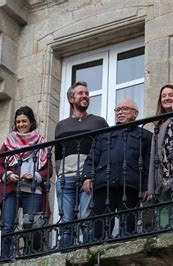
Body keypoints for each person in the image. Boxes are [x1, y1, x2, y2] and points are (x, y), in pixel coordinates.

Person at [82, 99, 152, 240]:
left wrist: (146, 186)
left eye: (125, 109)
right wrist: (87, 176)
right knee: (100, 226)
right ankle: (97, 253)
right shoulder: (104, 134)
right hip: (104, 183)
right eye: (118, 110)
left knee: (128, 225)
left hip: (130, 184)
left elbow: (148, 164)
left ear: (135, 113)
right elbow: (92, 157)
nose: (120, 112)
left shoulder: (145, 136)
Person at [54, 81, 109, 246]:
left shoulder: (98, 122)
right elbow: (57, 155)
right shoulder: (61, 125)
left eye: (86, 93)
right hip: (66, 179)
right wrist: (60, 175)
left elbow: (105, 149)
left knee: (86, 220)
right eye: (80, 93)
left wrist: (95, 174)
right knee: (66, 223)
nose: (85, 96)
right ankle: (66, 256)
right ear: (71, 99)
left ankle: (87, 252)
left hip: (88, 177)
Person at [0, 106, 51, 258]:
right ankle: (5, 258)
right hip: (11, 188)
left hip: (33, 190)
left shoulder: (41, 141)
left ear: (31, 122)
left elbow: (49, 169)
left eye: (24, 121)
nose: (21, 124)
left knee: (30, 225)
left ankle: (29, 256)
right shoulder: (9, 142)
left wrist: (36, 175)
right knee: (7, 225)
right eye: (18, 122)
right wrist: (8, 174)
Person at [147, 84, 173, 227]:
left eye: (171, 95)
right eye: (163, 96)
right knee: (164, 222)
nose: (167, 98)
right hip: (162, 175)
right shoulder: (159, 125)